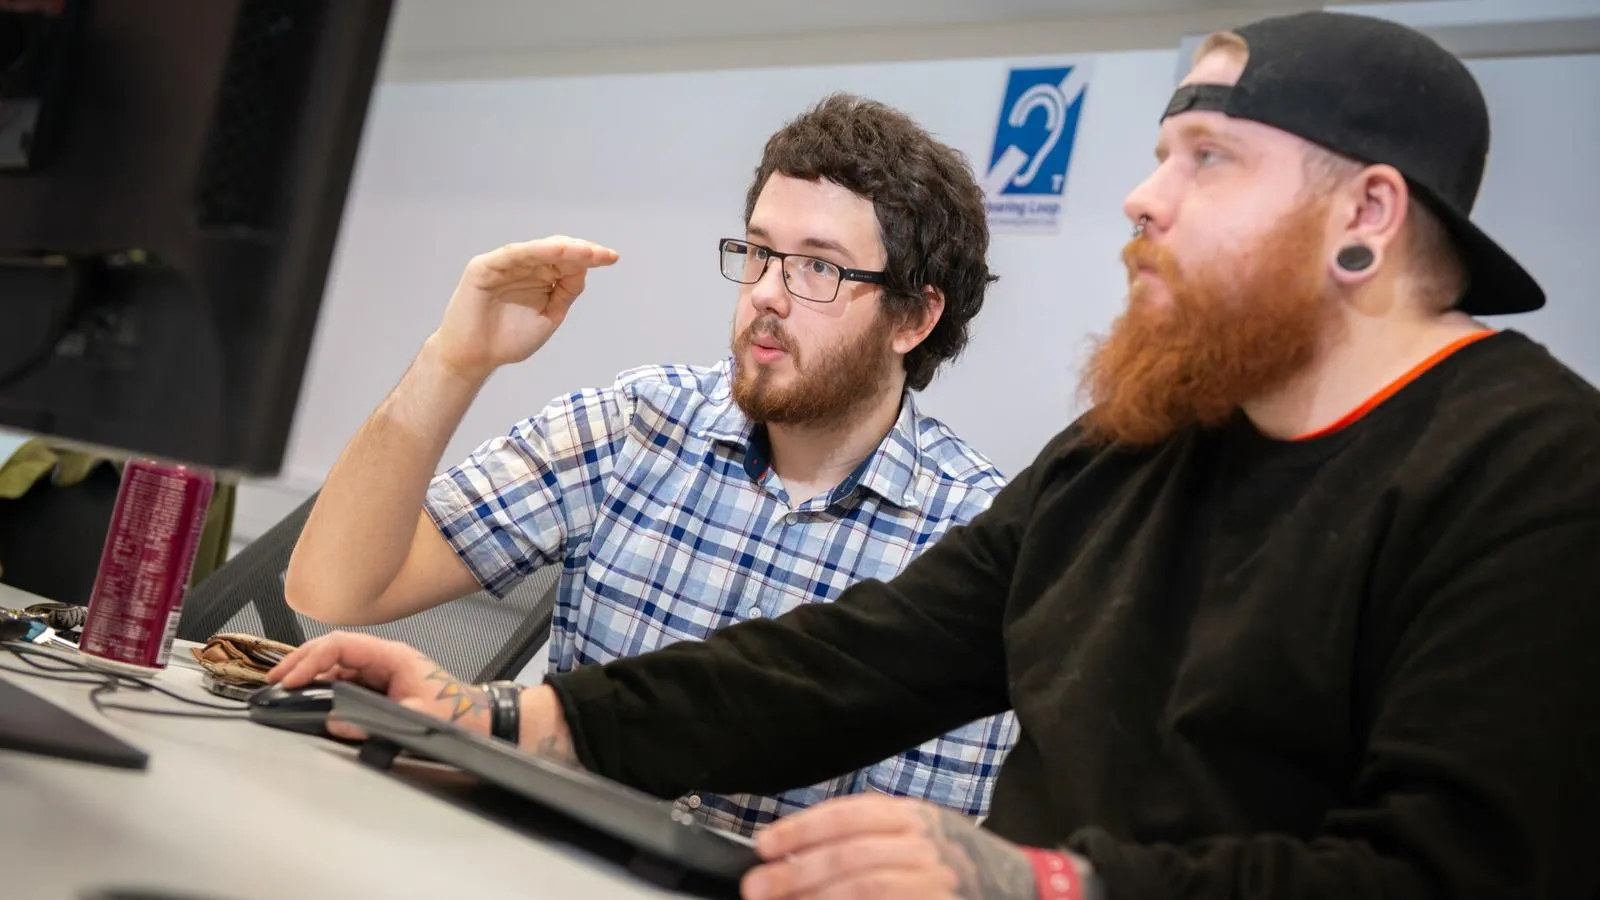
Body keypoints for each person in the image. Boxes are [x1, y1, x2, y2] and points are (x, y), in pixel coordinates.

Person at [272, 10, 1600, 900]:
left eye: (1208, 159)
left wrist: (1044, 884)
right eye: (1159, 155)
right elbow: (853, 663)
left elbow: (1462, 869)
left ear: (1367, 212)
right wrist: (507, 718)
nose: (1144, 197)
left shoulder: (1534, 474)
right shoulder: (1137, 451)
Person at [282, 93, 1018, 836]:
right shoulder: (641, 423)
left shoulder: (978, 542)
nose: (766, 293)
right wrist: (453, 361)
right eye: (759, 253)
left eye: (818, 268)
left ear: (912, 318)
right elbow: (332, 589)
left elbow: (932, 858)